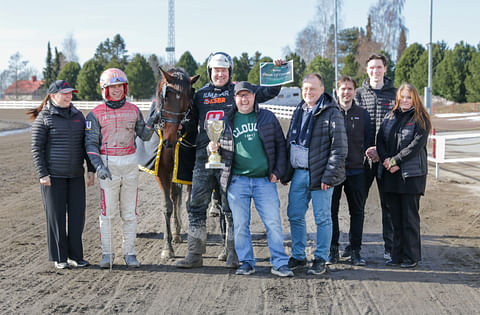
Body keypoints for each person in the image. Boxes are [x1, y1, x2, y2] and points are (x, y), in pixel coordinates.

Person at [176, 52, 283, 268]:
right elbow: (190, 121)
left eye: (224, 70)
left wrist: (277, 72)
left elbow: (268, 91)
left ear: (230, 72)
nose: (220, 74)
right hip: (203, 157)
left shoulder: (238, 91)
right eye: (216, 70)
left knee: (230, 207)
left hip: (231, 159)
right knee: (196, 205)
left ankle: (232, 253)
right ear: (210, 72)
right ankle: (194, 253)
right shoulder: (200, 95)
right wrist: (181, 128)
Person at [214, 81, 293, 277]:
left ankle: (280, 263)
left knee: (273, 223)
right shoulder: (226, 120)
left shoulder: (267, 117)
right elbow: (219, 148)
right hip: (237, 181)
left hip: (264, 181)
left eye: (247, 95)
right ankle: (247, 262)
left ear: (254, 96)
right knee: (241, 225)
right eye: (240, 95)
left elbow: (281, 146)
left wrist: (278, 171)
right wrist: (212, 149)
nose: (244, 99)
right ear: (235, 98)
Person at [85, 68, 159, 269]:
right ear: (104, 89)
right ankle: (107, 254)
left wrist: (152, 120)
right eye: (112, 87)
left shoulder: (134, 110)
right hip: (108, 166)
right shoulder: (95, 114)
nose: (116, 90)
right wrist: (98, 166)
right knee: (107, 213)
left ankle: (130, 254)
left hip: (130, 165)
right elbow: (90, 144)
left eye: (120, 86)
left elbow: (144, 135)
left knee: (129, 213)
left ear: (125, 87)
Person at [282, 73, 347, 275]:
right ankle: (299, 256)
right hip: (299, 173)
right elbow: (289, 142)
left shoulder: (331, 112)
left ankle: (321, 257)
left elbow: (339, 147)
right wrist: (286, 172)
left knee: (322, 218)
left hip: (320, 174)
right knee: (294, 214)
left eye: (312, 88)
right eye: (305, 89)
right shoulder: (299, 110)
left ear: (321, 89)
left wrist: (329, 176)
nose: (308, 92)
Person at [30, 80, 95, 269]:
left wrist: (90, 169)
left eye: (70, 93)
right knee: (56, 218)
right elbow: (36, 149)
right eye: (64, 93)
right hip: (53, 178)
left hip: (75, 175)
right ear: (52, 96)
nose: (69, 96)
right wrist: (43, 174)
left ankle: (76, 256)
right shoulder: (44, 118)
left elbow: (86, 145)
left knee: (77, 218)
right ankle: (60, 257)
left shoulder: (78, 116)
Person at [376, 83, 431, 269]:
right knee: (395, 218)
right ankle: (396, 255)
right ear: (397, 98)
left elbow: (415, 146)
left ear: (414, 98)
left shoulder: (421, 119)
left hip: (411, 175)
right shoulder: (389, 116)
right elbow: (380, 140)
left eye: (409, 97)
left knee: (409, 218)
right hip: (391, 174)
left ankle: (411, 256)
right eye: (402, 97)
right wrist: (385, 160)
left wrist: (395, 161)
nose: (405, 100)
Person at [354, 53, 396, 261]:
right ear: (367, 70)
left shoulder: (395, 95)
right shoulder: (359, 94)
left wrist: (383, 152)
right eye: (372, 67)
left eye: (379, 67)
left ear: (385, 69)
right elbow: (353, 126)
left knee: (388, 206)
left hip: (386, 160)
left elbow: (398, 129)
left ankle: (390, 249)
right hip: (364, 160)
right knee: (358, 205)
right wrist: (366, 149)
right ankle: (355, 248)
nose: (375, 71)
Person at [327, 76, 372, 266]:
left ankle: (355, 250)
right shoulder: (329, 112)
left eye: (350, 89)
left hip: (356, 171)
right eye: (343, 89)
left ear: (355, 91)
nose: (346, 92)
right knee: (331, 212)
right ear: (337, 91)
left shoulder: (363, 114)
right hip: (333, 171)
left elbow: (370, 141)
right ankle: (333, 249)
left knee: (358, 212)